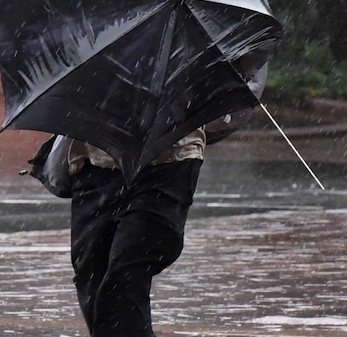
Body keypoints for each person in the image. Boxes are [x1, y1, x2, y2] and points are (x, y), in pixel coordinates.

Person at [27, 67, 267, 336]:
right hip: (96, 159)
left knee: (126, 272)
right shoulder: (87, 28)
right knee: (91, 273)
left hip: (168, 164)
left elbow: (246, 77)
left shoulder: (204, 28)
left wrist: (185, 113)